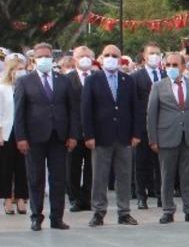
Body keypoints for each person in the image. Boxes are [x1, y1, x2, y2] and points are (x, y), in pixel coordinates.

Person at [13, 42, 79, 230]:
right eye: (40, 56)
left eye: (47, 56)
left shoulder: (63, 80)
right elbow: (19, 112)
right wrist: (21, 137)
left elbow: (73, 110)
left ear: (52, 58)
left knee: (58, 178)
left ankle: (56, 217)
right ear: (34, 59)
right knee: (35, 178)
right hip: (34, 138)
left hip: (59, 136)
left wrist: (73, 134)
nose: (44, 59)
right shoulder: (25, 81)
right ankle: (36, 216)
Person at [81, 44, 141, 227]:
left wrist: (136, 133)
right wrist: (88, 135)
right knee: (99, 176)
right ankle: (99, 212)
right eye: (107, 54)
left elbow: (136, 109)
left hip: (124, 136)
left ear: (120, 58)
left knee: (124, 175)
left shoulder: (127, 80)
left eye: (114, 55)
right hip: (101, 136)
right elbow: (86, 109)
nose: (110, 58)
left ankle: (124, 212)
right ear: (100, 57)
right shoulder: (93, 79)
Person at [146, 52, 189, 224]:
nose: (171, 68)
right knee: (167, 175)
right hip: (166, 137)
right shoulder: (158, 86)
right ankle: (168, 210)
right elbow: (151, 114)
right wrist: (153, 139)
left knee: (188, 175)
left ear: (183, 67)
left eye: (175, 65)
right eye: (168, 65)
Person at [132, 44, 166, 210]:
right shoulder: (136, 77)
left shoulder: (166, 75)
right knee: (141, 164)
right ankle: (141, 196)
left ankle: (161, 196)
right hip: (143, 127)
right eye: (151, 53)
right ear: (144, 56)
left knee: (161, 164)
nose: (154, 56)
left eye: (157, 53)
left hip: (163, 127)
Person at [0, 55, 29, 216]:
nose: (21, 72)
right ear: (10, 71)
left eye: (22, 69)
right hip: (7, 132)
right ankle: (7, 199)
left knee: (23, 167)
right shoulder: (2, 88)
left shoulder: (27, 86)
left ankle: (21, 198)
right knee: (6, 167)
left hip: (24, 131)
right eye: (18, 69)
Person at [65, 49, 92, 214]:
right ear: (74, 60)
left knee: (92, 168)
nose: (84, 59)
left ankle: (87, 198)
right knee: (72, 167)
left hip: (93, 132)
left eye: (88, 56)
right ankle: (74, 198)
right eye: (81, 57)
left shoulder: (97, 77)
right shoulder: (67, 79)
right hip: (73, 131)